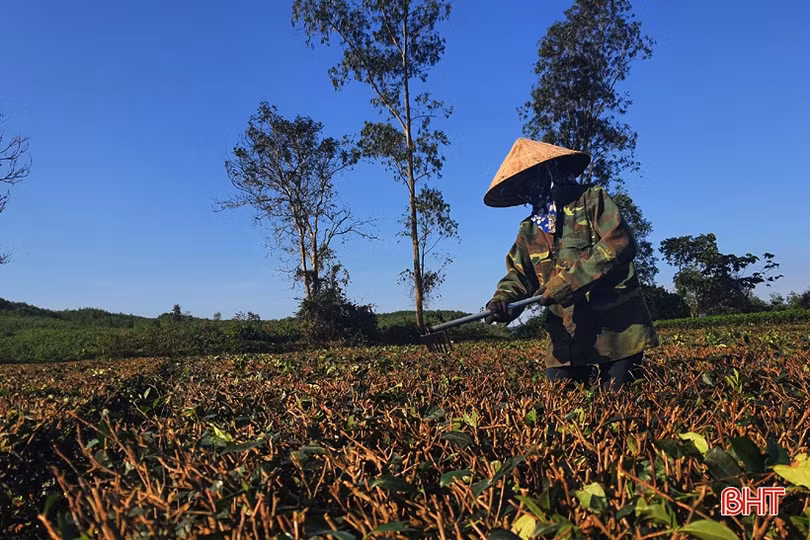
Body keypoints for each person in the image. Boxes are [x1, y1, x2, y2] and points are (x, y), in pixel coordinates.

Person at [483, 138, 659, 391]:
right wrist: (502, 301)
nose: (529, 188)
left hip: (618, 330)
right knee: (562, 408)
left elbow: (619, 242)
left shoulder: (592, 200)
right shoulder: (530, 229)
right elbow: (520, 275)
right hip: (567, 336)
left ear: (551, 172)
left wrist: (567, 282)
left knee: (618, 402)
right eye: (522, 184)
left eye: (532, 178)